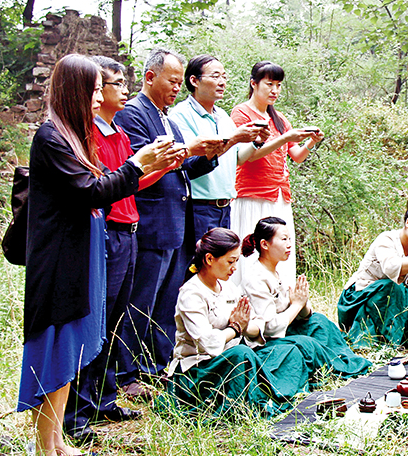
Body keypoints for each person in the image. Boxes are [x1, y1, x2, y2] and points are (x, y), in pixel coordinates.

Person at [19, 53, 175, 456]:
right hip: (57, 258)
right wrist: (137, 165)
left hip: (81, 250)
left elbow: (104, 186)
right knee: (54, 345)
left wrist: (143, 167)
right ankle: (43, 448)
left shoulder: (73, 136)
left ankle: (56, 441)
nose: (96, 97)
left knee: (72, 345)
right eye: (91, 90)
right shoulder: (51, 138)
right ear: (73, 92)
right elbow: (91, 191)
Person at [62, 56, 187, 444]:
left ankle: (104, 397)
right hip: (108, 230)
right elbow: (105, 185)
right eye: (111, 85)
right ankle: (79, 413)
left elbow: (131, 181)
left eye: (115, 84)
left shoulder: (115, 132)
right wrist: (143, 165)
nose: (121, 91)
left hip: (130, 228)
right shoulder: (85, 136)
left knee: (116, 321)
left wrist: (163, 165)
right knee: (98, 320)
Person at [114, 48, 227, 382]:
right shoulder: (134, 114)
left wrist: (209, 155)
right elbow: (141, 166)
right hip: (150, 220)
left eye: (180, 82)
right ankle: (127, 372)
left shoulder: (166, 117)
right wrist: (188, 151)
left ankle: (155, 365)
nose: (177, 88)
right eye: (173, 81)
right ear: (150, 77)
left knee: (165, 302)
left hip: (174, 222)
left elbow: (182, 169)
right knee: (140, 303)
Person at [163, 228, 295, 417]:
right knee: (241, 353)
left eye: (237, 262)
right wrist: (235, 328)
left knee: (286, 349)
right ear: (209, 259)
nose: (234, 268)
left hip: (232, 358)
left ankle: (264, 395)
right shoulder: (191, 293)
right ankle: (252, 404)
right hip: (199, 369)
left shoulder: (227, 287)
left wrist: (243, 325)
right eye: (230, 262)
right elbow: (207, 343)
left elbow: (257, 324)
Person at [240, 217, 373, 382]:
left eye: (290, 239)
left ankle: (346, 361)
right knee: (306, 343)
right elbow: (269, 328)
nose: (289, 244)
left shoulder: (279, 270)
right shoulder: (255, 278)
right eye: (283, 239)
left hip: (287, 328)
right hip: (267, 341)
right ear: (265, 244)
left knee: (320, 323)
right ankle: (336, 368)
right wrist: (296, 305)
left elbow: (304, 313)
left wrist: (302, 302)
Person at [230, 62, 322, 285]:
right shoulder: (241, 113)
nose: (275, 91)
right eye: (269, 84)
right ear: (254, 84)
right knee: (252, 253)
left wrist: (311, 141)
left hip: (280, 194)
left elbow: (297, 156)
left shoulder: (279, 118)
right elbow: (247, 155)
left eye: (279, 85)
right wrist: (284, 138)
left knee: (280, 250)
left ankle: (281, 302)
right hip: (252, 193)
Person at [168, 55, 268, 241]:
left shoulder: (222, 115)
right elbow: (193, 161)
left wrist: (255, 142)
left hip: (224, 206)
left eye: (224, 77)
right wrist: (235, 137)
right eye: (215, 76)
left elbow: (237, 158)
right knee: (198, 266)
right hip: (198, 206)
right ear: (194, 80)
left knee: (220, 267)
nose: (222, 82)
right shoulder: (180, 115)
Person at [337, 189, 408, 348]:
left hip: (387, 299)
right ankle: (388, 344)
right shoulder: (387, 239)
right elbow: (392, 269)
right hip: (357, 299)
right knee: (392, 288)